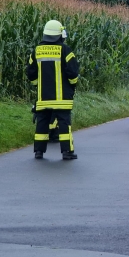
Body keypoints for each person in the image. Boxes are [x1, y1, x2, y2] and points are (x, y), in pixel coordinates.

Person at [26, 20, 79, 160]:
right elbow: (73, 72)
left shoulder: (37, 50)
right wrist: (72, 86)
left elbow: (30, 72)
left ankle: (39, 151)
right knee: (64, 123)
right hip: (62, 98)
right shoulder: (65, 50)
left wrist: (38, 85)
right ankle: (67, 152)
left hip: (43, 97)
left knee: (42, 122)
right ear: (59, 34)